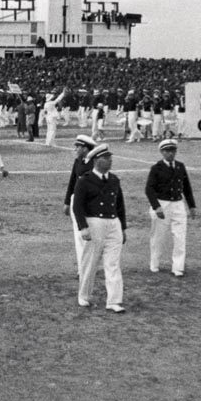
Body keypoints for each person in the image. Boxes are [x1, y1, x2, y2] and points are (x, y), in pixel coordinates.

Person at [71, 144, 127, 312]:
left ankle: (114, 301)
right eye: (106, 158)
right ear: (96, 161)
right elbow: (78, 206)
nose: (110, 161)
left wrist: (122, 228)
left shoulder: (114, 180)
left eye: (110, 158)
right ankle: (84, 296)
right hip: (94, 223)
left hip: (112, 223)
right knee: (90, 262)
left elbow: (120, 205)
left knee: (113, 263)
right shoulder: (85, 180)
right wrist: (83, 227)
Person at [145, 138, 197, 276]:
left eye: (173, 150)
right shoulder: (156, 168)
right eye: (167, 151)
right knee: (158, 236)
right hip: (163, 203)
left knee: (180, 236)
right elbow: (149, 189)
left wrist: (191, 206)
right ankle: (154, 263)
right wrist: (156, 207)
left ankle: (178, 267)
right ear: (162, 152)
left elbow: (186, 187)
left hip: (178, 204)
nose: (170, 153)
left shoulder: (180, 166)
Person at [63, 134, 97, 272]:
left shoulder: (94, 163)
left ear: (85, 148)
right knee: (79, 236)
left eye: (78, 146)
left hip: (89, 203)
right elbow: (72, 181)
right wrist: (66, 201)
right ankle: (83, 268)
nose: (75, 149)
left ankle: (88, 266)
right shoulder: (78, 161)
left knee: (89, 236)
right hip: (76, 201)